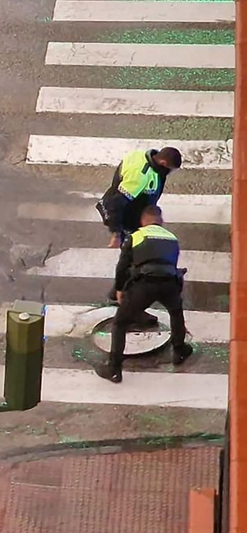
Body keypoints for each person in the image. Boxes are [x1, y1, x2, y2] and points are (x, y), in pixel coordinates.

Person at [96, 205, 193, 383]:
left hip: (145, 285)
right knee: (176, 312)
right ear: (161, 221)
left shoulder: (137, 236)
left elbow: (123, 266)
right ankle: (179, 350)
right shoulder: (172, 238)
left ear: (143, 221)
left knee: (120, 323)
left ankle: (114, 368)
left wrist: (119, 289)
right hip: (170, 283)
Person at [97, 144, 182, 247]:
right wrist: (116, 234)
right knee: (134, 246)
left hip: (128, 207)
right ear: (163, 163)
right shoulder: (140, 178)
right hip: (128, 218)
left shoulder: (138, 155)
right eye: (170, 169)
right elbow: (117, 203)